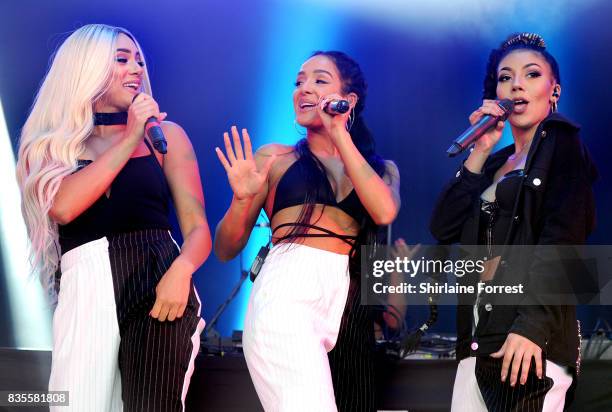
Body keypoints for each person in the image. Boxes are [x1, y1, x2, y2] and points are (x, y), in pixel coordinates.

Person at [16, 24, 211, 411]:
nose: (136, 68)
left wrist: (181, 271)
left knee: (153, 404)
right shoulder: (49, 145)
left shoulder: (166, 137)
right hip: (86, 281)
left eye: (138, 60)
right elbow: (65, 207)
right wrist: (128, 138)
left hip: (160, 279)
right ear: (86, 68)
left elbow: (198, 228)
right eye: (121, 59)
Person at [214, 51, 400, 411]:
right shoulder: (275, 159)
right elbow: (225, 247)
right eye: (299, 82)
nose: (304, 89)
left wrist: (338, 132)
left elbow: (384, 210)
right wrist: (242, 200)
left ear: (349, 100)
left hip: (349, 305)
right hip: (288, 290)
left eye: (319, 79)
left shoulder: (381, 168)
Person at [430, 33, 598, 411]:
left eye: (531, 74)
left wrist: (531, 329)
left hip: (527, 344)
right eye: (505, 77)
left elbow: (563, 243)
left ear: (554, 89)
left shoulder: (563, 144)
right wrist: (481, 149)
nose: (516, 84)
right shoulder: (493, 162)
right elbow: (442, 226)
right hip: (477, 340)